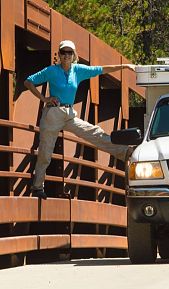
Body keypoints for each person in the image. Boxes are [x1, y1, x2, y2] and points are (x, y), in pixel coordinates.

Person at [24, 40, 135, 200]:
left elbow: (101, 70)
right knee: (45, 153)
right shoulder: (51, 71)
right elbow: (28, 81)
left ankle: (125, 152)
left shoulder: (78, 70)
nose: (66, 56)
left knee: (93, 132)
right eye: (63, 52)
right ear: (59, 55)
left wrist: (123, 66)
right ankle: (37, 187)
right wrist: (44, 98)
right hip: (53, 114)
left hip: (69, 114)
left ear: (74, 55)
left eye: (69, 53)